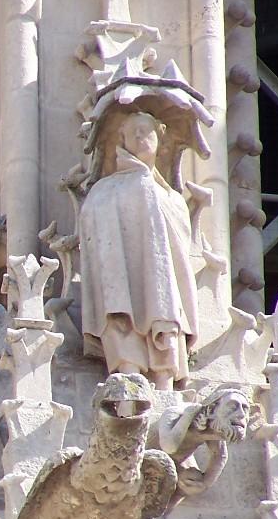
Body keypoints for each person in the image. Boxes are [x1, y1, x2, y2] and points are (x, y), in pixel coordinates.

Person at [77, 110, 200, 390]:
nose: (140, 137)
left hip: (162, 288)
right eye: (133, 132)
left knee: (165, 311)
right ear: (121, 140)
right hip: (122, 278)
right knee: (119, 310)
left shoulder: (172, 198)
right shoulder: (106, 189)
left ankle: (165, 382)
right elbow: (93, 227)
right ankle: (128, 372)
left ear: (161, 136)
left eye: (146, 130)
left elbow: (179, 254)